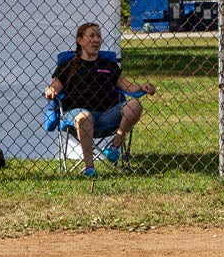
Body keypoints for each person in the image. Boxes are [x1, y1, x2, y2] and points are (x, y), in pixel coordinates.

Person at [43, 22, 156, 177]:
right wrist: (51, 90)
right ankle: (89, 168)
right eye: (91, 36)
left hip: (107, 115)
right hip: (77, 115)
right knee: (84, 117)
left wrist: (142, 87)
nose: (96, 40)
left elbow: (128, 87)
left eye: (99, 36)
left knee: (135, 105)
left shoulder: (109, 65)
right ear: (80, 40)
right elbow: (55, 86)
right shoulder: (68, 65)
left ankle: (114, 148)